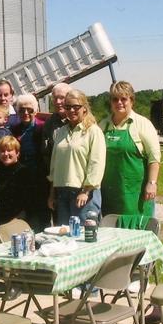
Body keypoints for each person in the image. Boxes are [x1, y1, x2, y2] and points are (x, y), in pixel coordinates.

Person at [99, 81, 161, 225]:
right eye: (115, 99)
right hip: (109, 193)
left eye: (123, 99)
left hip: (135, 193)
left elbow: (154, 158)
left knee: (136, 229)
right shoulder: (103, 125)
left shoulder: (142, 124)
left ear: (131, 100)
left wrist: (152, 183)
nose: (119, 103)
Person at [48, 89, 106, 225]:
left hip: (84, 193)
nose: (71, 110)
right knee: (64, 234)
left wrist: (86, 191)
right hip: (61, 192)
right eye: (68, 107)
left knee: (84, 234)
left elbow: (96, 164)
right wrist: (51, 194)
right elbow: (54, 165)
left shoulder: (93, 131)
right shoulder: (61, 132)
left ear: (84, 108)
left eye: (76, 107)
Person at [0, 136, 34, 245]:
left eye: (9, 150)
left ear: (17, 153)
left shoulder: (24, 173)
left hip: (14, 226)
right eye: (2, 151)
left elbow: (27, 202)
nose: (6, 153)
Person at [11, 94, 48, 230]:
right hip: (22, 176)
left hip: (40, 176)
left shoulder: (42, 127)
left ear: (35, 111)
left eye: (29, 110)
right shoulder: (15, 129)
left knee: (41, 214)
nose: (26, 113)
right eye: (22, 110)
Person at [40, 82, 71, 222]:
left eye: (62, 98)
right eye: (55, 98)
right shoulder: (50, 123)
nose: (58, 102)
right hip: (56, 182)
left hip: (77, 183)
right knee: (60, 224)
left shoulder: (80, 120)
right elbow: (46, 153)